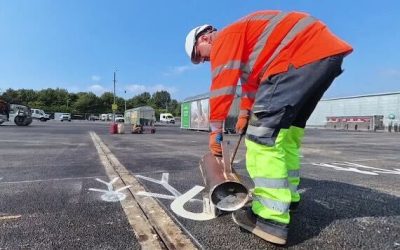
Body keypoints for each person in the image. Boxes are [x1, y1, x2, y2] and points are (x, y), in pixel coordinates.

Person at [185, 10, 353, 245]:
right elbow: (252, 86)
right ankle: (289, 198)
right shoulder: (246, 44)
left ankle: (270, 218)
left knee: (261, 138)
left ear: (204, 38)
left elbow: (223, 87)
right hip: (322, 57)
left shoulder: (224, 37)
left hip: (296, 59)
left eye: (199, 56)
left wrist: (215, 131)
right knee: (288, 136)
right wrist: (245, 113)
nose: (204, 61)